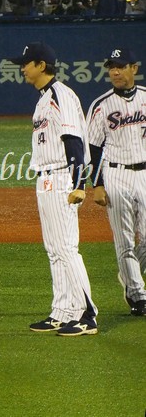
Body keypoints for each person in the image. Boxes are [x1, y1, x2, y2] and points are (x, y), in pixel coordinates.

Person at [9, 42, 98, 336]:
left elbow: (73, 140)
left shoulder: (62, 95)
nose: (22, 68)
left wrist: (78, 184)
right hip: (46, 178)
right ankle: (62, 311)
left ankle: (86, 315)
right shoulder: (43, 99)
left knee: (66, 248)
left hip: (62, 178)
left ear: (41, 65)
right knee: (53, 250)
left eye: (26, 63)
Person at [86, 48, 146, 316]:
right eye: (111, 67)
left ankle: (128, 275)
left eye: (120, 66)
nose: (115, 72)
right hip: (115, 174)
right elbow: (93, 147)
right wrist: (96, 184)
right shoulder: (101, 104)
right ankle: (137, 293)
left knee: (145, 239)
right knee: (123, 239)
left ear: (134, 68)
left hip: (145, 174)